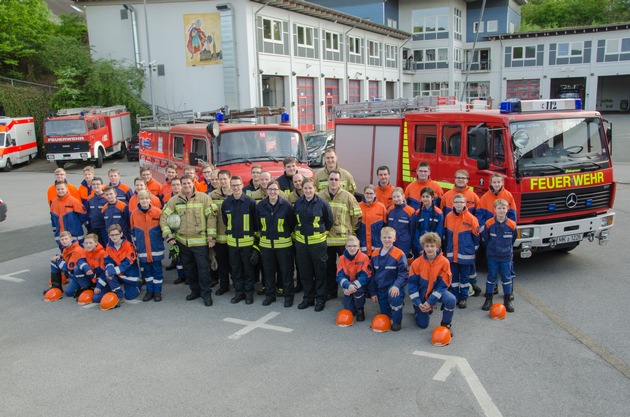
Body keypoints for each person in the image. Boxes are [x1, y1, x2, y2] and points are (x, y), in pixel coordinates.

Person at [161, 174, 217, 307]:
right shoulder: (174, 200)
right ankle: (195, 291)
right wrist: (168, 235)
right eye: (184, 183)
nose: (186, 186)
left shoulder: (204, 198)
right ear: (181, 185)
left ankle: (206, 294)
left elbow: (211, 218)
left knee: (203, 269)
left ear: (193, 183)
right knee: (189, 269)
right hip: (182, 241)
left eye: (188, 183)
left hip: (200, 241)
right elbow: (164, 217)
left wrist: (211, 238)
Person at [318, 169, 362, 300]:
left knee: (348, 268)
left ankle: (349, 290)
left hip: (344, 241)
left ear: (340, 181)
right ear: (328, 181)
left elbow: (357, 215)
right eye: (331, 179)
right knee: (329, 267)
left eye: (336, 179)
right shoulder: (320, 196)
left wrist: (351, 232)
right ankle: (331, 291)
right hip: (327, 239)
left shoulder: (348, 196)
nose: (333, 182)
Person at [293, 178, 333, 311]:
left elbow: (329, 221)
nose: (308, 191)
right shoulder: (297, 203)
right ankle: (308, 298)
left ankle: (320, 299)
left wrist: (320, 234)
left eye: (310, 188)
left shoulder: (322, 203)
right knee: (305, 273)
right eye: (305, 188)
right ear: (302, 189)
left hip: (318, 245)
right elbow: (294, 221)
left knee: (320, 272)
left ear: (315, 189)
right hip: (302, 245)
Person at [255, 180, 295, 307]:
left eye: (275, 189)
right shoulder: (260, 205)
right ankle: (270, 296)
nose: (272, 192)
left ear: (279, 191)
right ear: (266, 191)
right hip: (266, 246)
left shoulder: (287, 206)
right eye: (270, 189)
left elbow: (292, 224)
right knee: (268, 272)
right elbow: (257, 224)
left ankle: (288, 297)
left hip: (284, 246)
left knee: (286, 272)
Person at [441, 170, 480, 295]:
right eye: (458, 177)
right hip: (453, 245)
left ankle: (471, 286)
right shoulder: (447, 196)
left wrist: (472, 248)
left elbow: (477, 217)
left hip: (466, 243)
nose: (460, 180)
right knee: (454, 272)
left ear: (467, 179)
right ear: (454, 179)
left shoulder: (473, 196)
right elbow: (443, 218)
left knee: (467, 271)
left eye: (463, 178)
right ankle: (455, 293)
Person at [408, 232, 455, 335]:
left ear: (437, 246)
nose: (430, 249)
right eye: (427, 246)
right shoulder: (416, 263)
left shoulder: (444, 262)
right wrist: (418, 302)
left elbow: (443, 286)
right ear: (423, 247)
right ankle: (417, 308)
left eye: (432, 246)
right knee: (423, 325)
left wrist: (430, 302)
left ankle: (446, 324)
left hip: (436, 292)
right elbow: (412, 285)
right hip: (421, 294)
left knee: (451, 300)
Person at [222, 176, 257, 305]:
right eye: (233, 185)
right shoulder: (227, 203)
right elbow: (226, 221)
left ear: (242, 185)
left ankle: (248, 294)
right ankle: (239, 293)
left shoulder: (250, 202)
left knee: (248, 270)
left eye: (238, 185)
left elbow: (255, 222)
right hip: (232, 243)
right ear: (231, 186)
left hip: (247, 243)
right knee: (236, 270)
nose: (236, 188)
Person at [368, 227, 408, 331]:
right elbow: (372, 274)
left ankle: (397, 321)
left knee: (395, 299)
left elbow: (403, 274)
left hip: (393, 287)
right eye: (384, 237)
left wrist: (396, 286)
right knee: (385, 315)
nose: (387, 240)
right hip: (380, 287)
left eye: (389, 237)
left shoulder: (399, 254)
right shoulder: (375, 253)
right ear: (380, 238)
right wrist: (372, 293)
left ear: (394, 239)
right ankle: (392, 311)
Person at [444, 193, 480, 309]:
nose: (459, 204)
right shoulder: (448, 217)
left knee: (464, 279)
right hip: (451, 255)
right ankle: (455, 296)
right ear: (452, 204)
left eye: (461, 202)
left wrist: (471, 253)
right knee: (453, 278)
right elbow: (446, 236)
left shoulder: (471, 219)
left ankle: (463, 298)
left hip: (466, 256)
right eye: (456, 202)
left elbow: (476, 239)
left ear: (465, 203)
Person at [481, 199, 517, 312]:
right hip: (493, 256)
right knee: (491, 277)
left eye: (504, 208)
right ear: (495, 209)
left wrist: (507, 250)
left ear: (507, 210)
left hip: (506, 257)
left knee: (506, 278)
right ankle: (488, 299)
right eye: (499, 208)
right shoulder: (489, 223)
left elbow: (513, 239)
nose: (501, 211)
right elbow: (486, 239)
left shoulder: (512, 224)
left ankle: (507, 300)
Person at [130, 190, 165, 302]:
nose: (144, 201)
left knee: (157, 271)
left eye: (146, 198)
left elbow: (164, 230)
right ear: (138, 200)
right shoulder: (134, 214)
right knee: (146, 272)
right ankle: (149, 291)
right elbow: (133, 232)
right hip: (143, 249)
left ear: (150, 199)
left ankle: (157, 292)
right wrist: (136, 247)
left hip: (155, 249)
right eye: (142, 199)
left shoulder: (158, 212)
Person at [46, 231, 92, 299]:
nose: (64, 241)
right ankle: (56, 286)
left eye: (66, 239)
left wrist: (58, 261)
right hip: (72, 273)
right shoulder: (66, 249)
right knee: (53, 262)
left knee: (69, 292)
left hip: (78, 276)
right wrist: (60, 256)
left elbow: (69, 267)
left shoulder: (77, 250)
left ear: (71, 239)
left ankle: (85, 288)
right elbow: (67, 257)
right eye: (62, 239)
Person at [103, 224, 141, 304]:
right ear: (109, 236)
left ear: (121, 234)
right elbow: (108, 260)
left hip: (129, 272)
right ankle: (119, 295)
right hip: (119, 272)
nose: (114, 237)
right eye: (112, 235)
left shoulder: (128, 245)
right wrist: (110, 270)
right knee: (109, 275)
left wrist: (113, 271)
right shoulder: (109, 246)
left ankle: (138, 284)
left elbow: (127, 263)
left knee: (130, 296)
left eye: (116, 234)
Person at [336, 236, 371, 321]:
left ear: (358, 246)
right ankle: (351, 300)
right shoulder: (341, 258)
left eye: (355, 246)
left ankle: (360, 309)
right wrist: (348, 286)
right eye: (349, 246)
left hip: (359, 286)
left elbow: (365, 276)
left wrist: (353, 286)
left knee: (358, 292)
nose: (352, 248)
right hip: (348, 286)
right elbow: (339, 277)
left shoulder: (364, 257)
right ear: (346, 247)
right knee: (350, 311)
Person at [209, 169, 232, 294]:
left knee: (235, 264)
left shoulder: (236, 192)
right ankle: (224, 286)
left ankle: (238, 286)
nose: (222, 181)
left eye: (225, 178)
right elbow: (211, 217)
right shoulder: (212, 195)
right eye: (220, 179)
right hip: (219, 236)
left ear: (229, 178)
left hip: (233, 236)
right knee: (222, 264)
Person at [50, 181, 88, 248]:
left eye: (62, 189)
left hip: (74, 235)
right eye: (58, 189)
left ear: (66, 188)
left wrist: (75, 226)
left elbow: (83, 216)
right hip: (61, 235)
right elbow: (53, 218)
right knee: (65, 255)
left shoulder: (74, 201)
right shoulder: (54, 202)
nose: (60, 191)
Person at [412, 187, 444, 258]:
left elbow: (439, 233)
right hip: (420, 249)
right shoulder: (417, 213)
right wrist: (420, 248)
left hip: (433, 249)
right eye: (423, 197)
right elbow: (416, 232)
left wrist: (433, 248)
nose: (425, 199)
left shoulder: (438, 213)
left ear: (432, 197)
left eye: (427, 196)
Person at [386, 187, 416, 259]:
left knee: (401, 263)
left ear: (403, 196)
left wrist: (410, 244)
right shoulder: (390, 210)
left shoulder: (410, 211)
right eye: (394, 197)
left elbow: (412, 230)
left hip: (404, 243)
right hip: (391, 242)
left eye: (398, 196)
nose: (396, 199)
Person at [357, 184, 386, 257]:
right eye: (367, 193)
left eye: (371, 193)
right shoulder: (358, 206)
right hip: (363, 244)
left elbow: (385, 226)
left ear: (375, 194)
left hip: (377, 244)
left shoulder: (381, 207)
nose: (369, 195)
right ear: (364, 194)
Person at [83, 233, 107, 303]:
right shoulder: (86, 252)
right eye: (86, 243)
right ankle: (87, 287)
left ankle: (108, 290)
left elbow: (104, 273)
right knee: (77, 269)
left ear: (96, 243)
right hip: (93, 279)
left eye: (90, 243)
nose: (88, 245)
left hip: (103, 280)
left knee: (96, 299)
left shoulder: (102, 253)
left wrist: (99, 286)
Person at [86, 177, 108, 245]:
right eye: (94, 184)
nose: (96, 186)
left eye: (98, 184)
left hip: (104, 227)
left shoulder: (106, 197)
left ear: (102, 185)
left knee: (106, 245)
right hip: (94, 227)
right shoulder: (90, 198)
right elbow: (88, 212)